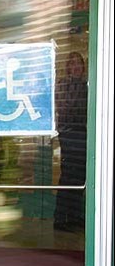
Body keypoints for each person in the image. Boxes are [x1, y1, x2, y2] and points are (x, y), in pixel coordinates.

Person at [54, 52, 87, 232]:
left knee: (79, 177)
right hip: (70, 135)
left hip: (82, 135)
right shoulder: (65, 85)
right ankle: (60, 219)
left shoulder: (85, 85)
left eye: (79, 63)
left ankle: (74, 217)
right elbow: (68, 110)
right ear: (68, 67)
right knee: (69, 176)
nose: (76, 66)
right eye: (72, 63)